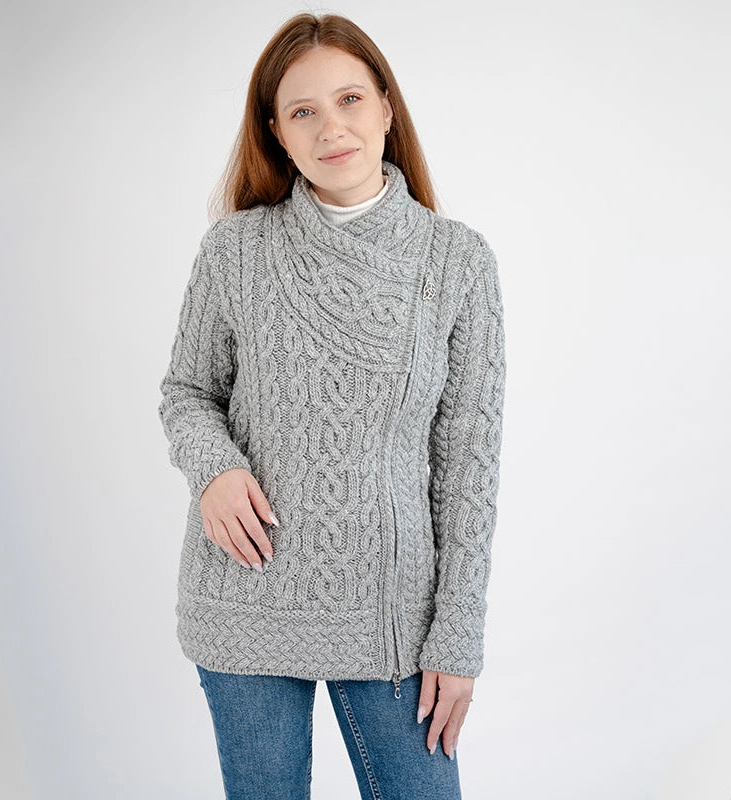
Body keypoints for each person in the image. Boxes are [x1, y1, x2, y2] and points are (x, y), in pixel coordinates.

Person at [157, 11, 507, 800]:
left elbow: (469, 467)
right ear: (278, 133)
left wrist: (458, 636)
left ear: (386, 106)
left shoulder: (457, 262)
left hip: (392, 615)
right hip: (246, 595)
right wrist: (215, 470)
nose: (331, 128)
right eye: (303, 111)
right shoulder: (235, 251)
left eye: (349, 99)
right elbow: (187, 393)